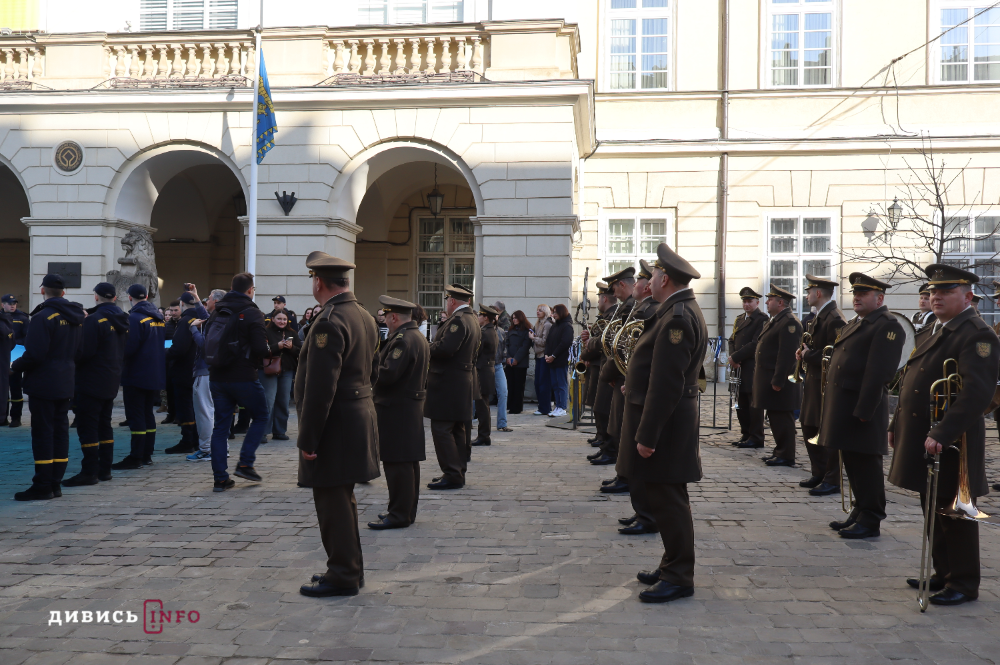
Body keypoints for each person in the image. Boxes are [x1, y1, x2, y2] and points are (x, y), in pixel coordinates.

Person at [889, 264, 998, 607]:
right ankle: (943, 571)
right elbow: (911, 381)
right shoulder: (936, 329)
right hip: (925, 433)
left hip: (953, 441)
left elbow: (976, 394)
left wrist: (944, 431)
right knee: (932, 504)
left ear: (967, 297)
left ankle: (963, 582)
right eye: (934, 291)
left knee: (955, 512)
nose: (936, 296)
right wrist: (895, 424)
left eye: (946, 291)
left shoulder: (977, 334)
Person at [619, 243, 706, 603]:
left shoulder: (676, 318)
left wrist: (648, 435)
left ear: (665, 278)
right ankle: (671, 563)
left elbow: (668, 383)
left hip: (667, 425)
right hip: (670, 420)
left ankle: (679, 575)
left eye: (653, 274)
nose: (649, 280)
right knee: (668, 498)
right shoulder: (676, 310)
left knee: (669, 501)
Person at [296, 252, 380, 598]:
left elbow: (320, 388)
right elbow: (372, 370)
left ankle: (343, 573)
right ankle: (349, 568)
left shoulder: (329, 321)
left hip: (335, 424)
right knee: (343, 500)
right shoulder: (363, 315)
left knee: (332, 502)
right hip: (357, 416)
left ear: (318, 281)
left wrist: (309, 439)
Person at [819, 272, 905, 539]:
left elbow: (879, 373)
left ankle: (871, 518)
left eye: (863, 294)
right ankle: (859, 510)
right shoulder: (858, 323)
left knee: (866, 466)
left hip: (862, 408)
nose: (856, 297)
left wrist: (864, 411)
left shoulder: (887, 326)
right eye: (855, 293)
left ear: (879, 298)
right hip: (845, 406)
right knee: (853, 463)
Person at [11, 274, 84, 501]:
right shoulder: (76, 317)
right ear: (63, 292)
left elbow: (35, 354)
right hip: (65, 380)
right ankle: (55, 483)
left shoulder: (43, 317)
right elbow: (80, 351)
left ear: (43, 291)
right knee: (60, 432)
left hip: (44, 382)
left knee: (43, 433)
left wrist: (14, 366)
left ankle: (43, 485)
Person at [205, 272, 271, 492]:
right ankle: (245, 463)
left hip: (217, 376)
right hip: (243, 376)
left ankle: (220, 479)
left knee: (221, 427)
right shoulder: (252, 312)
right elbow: (261, 348)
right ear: (250, 290)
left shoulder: (217, 310)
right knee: (261, 416)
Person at [369, 295, 430, 530]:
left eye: (386, 316)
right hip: (406, 408)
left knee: (397, 464)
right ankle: (404, 511)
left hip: (397, 409)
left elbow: (387, 374)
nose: (384, 320)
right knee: (407, 463)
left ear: (394, 317)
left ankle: (399, 514)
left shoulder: (403, 340)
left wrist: (369, 364)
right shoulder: (414, 336)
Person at [63, 282, 128, 486]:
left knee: (88, 426)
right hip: (111, 377)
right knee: (104, 424)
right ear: (114, 298)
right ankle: (104, 468)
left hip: (91, 379)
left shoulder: (94, 320)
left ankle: (90, 471)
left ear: (96, 297)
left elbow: (84, 352)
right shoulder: (123, 319)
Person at [614, 260, 659, 532]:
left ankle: (647, 515)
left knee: (640, 460)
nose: (645, 284)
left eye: (646, 280)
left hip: (643, 395)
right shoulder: (644, 308)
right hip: (635, 390)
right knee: (632, 457)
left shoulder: (652, 310)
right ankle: (641, 511)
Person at [425, 284, 480, 490]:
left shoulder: (458, 320)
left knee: (442, 429)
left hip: (449, 382)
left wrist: (425, 347)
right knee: (457, 429)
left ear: (452, 301)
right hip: (459, 380)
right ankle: (456, 472)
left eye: (447, 300)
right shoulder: (471, 318)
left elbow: (446, 349)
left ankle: (452, 473)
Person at [797, 275, 846, 496]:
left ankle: (832, 478)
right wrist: (804, 352)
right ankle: (819, 472)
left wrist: (809, 355)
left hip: (825, 384)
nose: (806, 296)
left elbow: (835, 353)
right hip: (814, 381)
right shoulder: (820, 316)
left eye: (809, 292)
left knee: (825, 432)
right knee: (809, 426)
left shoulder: (834, 318)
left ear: (818, 293)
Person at [111, 284, 166, 470]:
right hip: (154, 373)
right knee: (147, 414)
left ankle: (136, 457)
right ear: (147, 296)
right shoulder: (157, 317)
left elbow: (129, 347)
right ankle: (146, 454)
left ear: (129, 297)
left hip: (136, 373)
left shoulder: (135, 318)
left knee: (136, 416)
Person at [753, 285, 803, 467]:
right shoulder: (777, 320)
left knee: (782, 418)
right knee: (775, 417)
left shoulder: (789, 322)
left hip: (781, 381)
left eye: (770, 299)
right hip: (770, 378)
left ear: (780, 302)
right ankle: (780, 451)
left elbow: (787, 355)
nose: (766, 302)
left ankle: (786, 454)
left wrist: (778, 380)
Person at [592, 267, 637, 465]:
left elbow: (619, 342)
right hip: (614, 367)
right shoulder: (625, 306)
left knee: (614, 416)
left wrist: (608, 372)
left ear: (622, 284)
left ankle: (612, 452)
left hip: (619, 369)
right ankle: (608, 449)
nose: (613, 294)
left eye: (614, 288)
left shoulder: (630, 306)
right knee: (609, 414)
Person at [164, 292, 204, 455]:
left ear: (182, 304)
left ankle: (188, 440)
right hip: (196, 369)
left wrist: (165, 354)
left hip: (184, 370)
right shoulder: (201, 317)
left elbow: (179, 348)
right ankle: (195, 439)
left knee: (185, 407)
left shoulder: (185, 320)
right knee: (194, 407)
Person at [728, 287, 768, 449]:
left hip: (752, 366)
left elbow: (755, 343)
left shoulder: (762, 319)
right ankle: (746, 433)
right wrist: (732, 357)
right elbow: (732, 340)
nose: (746, 304)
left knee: (753, 404)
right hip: (738, 367)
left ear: (757, 302)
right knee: (741, 402)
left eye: (750, 301)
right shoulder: (739, 319)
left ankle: (756, 436)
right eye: (744, 301)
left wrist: (736, 357)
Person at [187, 288, 223, 462]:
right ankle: (220, 448)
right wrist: (195, 297)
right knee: (216, 413)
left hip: (205, 371)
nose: (206, 301)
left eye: (208, 299)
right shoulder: (222, 317)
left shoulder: (217, 320)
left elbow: (204, 344)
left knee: (205, 413)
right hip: (216, 372)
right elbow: (205, 316)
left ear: (215, 301)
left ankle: (207, 449)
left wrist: (193, 329)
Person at [581, 283, 616, 452]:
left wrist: (587, 352)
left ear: (604, 298)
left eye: (599, 298)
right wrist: (587, 339)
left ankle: (604, 438)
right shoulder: (605, 316)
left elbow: (602, 343)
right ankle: (600, 435)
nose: (598, 302)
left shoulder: (611, 316)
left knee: (601, 405)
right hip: (596, 363)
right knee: (596, 403)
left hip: (600, 363)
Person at [259, 310, 301, 443]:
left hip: (286, 370)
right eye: (279, 319)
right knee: (268, 400)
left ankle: (279, 431)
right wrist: (277, 346)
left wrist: (291, 347)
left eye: (284, 319)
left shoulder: (292, 333)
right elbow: (260, 350)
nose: (282, 322)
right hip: (269, 369)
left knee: (283, 401)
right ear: (272, 319)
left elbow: (300, 351)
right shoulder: (265, 332)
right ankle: (262, 432)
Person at [472, 304, 499, 446]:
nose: (478, 318)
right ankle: (484, 435)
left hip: (482, 371)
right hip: (487, 370)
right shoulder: (491, 331)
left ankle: (483, 436)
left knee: (482, 405)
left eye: (480, 315)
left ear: (486, 318)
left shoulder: (484, 332)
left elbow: (475, 352)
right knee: (484, 405)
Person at [3, 293, 29, 427]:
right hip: (2, 356)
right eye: (9, 304)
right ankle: (2, 417)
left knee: (15, 388)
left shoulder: (22, 318)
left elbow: (27, 337)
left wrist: (16, 345)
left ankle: (16, 417)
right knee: (2, 389)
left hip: (16, 356)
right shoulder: (1, 317)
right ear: (3, 304)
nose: (12, 306)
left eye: (14, 304)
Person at [544, 303, 574, 418]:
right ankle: (558, 406)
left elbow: (565, 343)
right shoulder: (555, 326)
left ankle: (562, 407)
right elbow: (548, 341)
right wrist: (547, 354)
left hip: (560, 360)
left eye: (555, 312)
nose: (553, 314)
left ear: (561, 312)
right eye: (553, 312)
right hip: (552, 360)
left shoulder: (567, 326)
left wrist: (553, 355)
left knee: (561, 384)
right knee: (555, 384)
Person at [504, 310, 533, 414]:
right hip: (509, 362)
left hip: (520, 363)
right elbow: (506, 344)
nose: (514, 320)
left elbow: (525, 347)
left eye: (516, 318)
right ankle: (510, 406)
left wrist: (516, 359)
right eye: (513, 318)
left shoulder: (527, 331)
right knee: (510, 385)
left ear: (521, 318)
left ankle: (517, 407)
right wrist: (508, 357)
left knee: (518, 386)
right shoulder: (510, 330)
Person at [531, 305, 553, 415]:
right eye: (537, 310)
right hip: (538, 355)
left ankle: (545, 408)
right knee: (538, 383)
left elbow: (544, 342)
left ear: (545, 312)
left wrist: (533, 338)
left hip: (544, 356)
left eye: (540, 310)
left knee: (544, 383)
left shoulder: (547, 324)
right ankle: (541, 407)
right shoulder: (538, 324)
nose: (537, 312)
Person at [161, 300, 180, 422]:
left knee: (179, 391)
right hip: (168, 361)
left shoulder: (184, 324)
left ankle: (179, 415)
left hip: (180, 362)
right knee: (169, 390)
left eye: (175, 310)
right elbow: (163, 342)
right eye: (171, 310)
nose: (173, 313)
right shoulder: (167, 326)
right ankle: (171, 414)